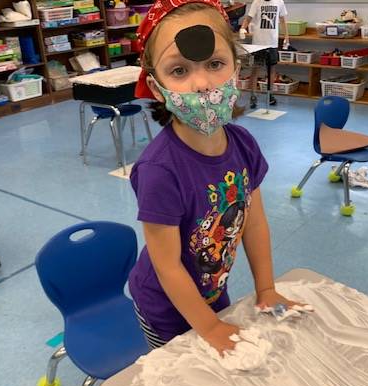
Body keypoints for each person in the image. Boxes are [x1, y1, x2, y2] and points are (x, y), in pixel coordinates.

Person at [129, 0, 301, 353]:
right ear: (157, 87)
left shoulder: (243, 145)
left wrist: (265, 290)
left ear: (237, 69)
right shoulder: (159, 171)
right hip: (165, 307)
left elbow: (253, 223)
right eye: (179, 71)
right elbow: (167, 266)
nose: (203, 83)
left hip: (212, 292)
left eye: (215, 64)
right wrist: (208, 326)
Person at [239, 0, 289, 109]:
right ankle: (253, 95)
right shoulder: (257, 2)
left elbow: (282, 19)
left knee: (271, 70)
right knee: (255, 69)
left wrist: (286, 36)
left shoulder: (279, 2)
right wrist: (242, 28)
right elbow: (249, 17)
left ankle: (270, 95)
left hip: (272, 43)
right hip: (258, 43)